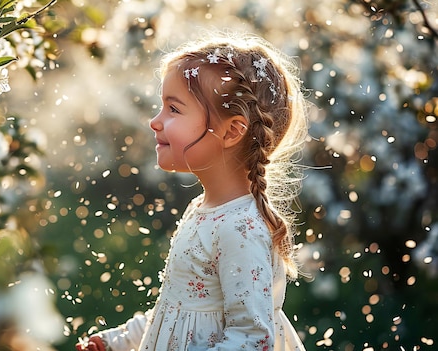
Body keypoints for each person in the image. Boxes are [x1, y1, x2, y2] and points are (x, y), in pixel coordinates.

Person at [76, 31, 309, 351]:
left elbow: (253, 339)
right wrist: (120, 341)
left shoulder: (239, 228)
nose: (155, 122)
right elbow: (178, 309)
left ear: (232, 131)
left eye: (174, 109)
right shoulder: (204, 210)